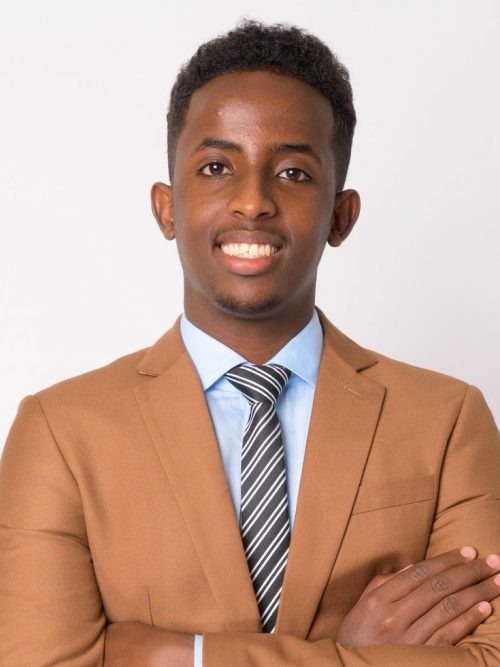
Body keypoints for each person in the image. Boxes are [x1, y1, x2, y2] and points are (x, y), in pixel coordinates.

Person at [0, 19, 499, 667]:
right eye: (216, 166)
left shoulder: (449, 419)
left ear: (341, 217)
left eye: (292, 171)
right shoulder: (60, 432)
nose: (253, 201)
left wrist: (180, 654)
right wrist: (348, 656)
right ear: (167, 206)